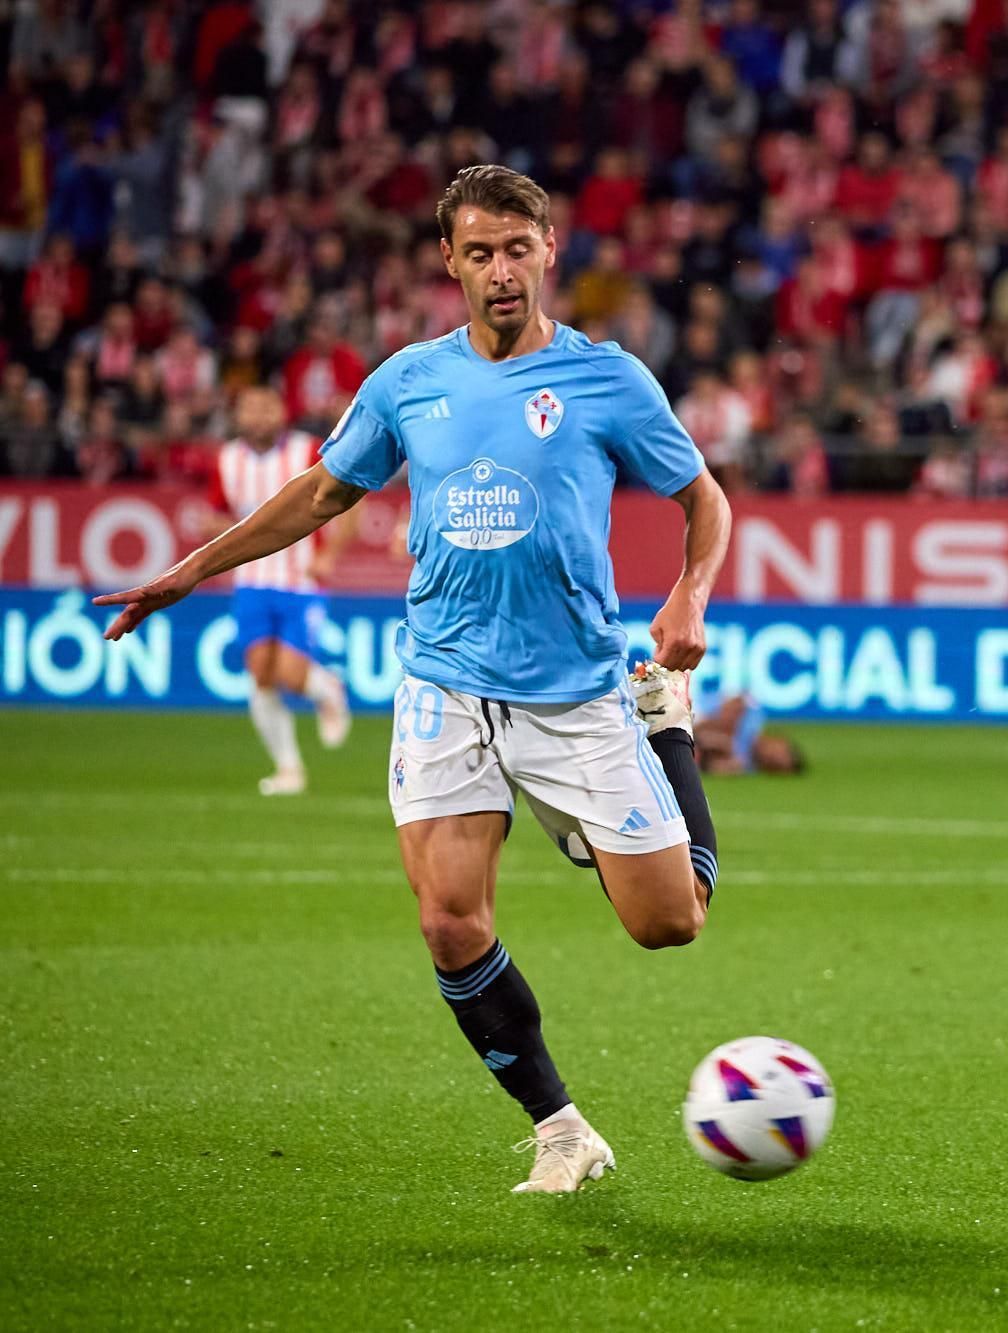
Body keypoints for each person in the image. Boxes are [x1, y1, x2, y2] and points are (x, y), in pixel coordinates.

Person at [95, 166, 731, 1195]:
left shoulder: (607, 379)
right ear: (449, 261)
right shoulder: (405, 382)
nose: (499, 272)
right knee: (448, 920)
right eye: (478, 253)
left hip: (575, 690)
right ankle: (561, 1126)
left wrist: (689, 594)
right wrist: (192, 570)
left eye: (517, 250)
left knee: (670, 921)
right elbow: (317, 493)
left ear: (549, 251)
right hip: (444, 683)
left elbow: (703, 497)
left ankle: (666, 726)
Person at [208, 385, 353, 795]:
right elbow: (226, 518)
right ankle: (289, 769)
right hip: (251, 580)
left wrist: (331, 554)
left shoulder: (308, 452)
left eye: (266, 407)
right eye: (250, 408)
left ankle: (328, 689)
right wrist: (214, 530)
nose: (258, 416)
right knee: (261, 676)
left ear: (281, 411)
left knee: (290, 672)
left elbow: (351, 500)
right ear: (238, 416)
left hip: (300, 580)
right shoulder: (227, 459)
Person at [693, 693, 805, 776]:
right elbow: (733, 703)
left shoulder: (743, 763)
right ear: (781, 741)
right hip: (691, 707)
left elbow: (710, 767)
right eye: (778, 754)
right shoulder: (753, 717)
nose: (771, 757)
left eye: (775, 765)